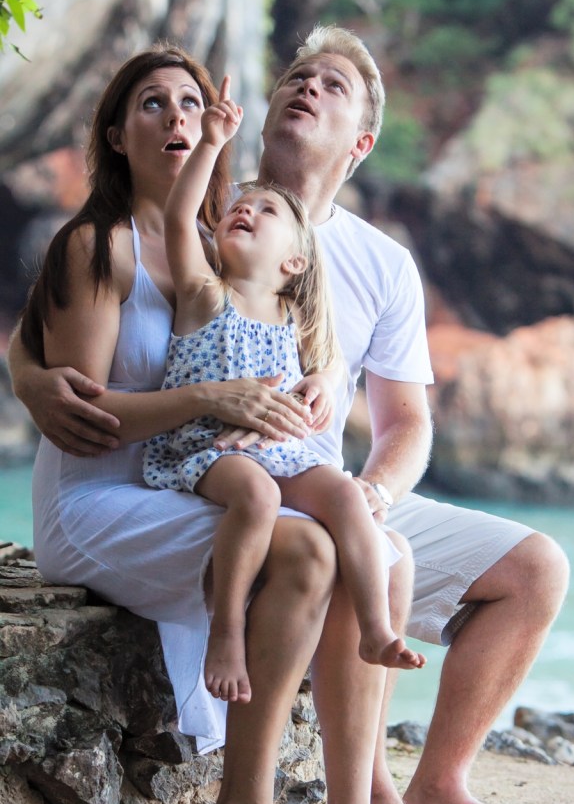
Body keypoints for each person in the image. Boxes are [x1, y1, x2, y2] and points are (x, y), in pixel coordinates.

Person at [11, 26, 570, 804]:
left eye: (332, 85)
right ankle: (355, 800)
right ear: (257, 117)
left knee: (521, 564)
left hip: (320, 478)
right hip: (205, 477)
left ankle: (432, 788)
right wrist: (23, 371)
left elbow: (404, 423)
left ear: (362, 143)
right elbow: (76, 301)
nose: (306, 89)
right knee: (335, 545)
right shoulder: (211, 210)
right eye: (295, 78)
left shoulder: (375, 261)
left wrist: (366, 488)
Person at [144, 80, 424, 702]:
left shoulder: (293, 318)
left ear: (294, 262)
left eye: (267, 213)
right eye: (241, 209)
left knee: (350, 496)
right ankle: (226, 631)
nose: (246, 210)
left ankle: (376, 629)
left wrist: (322, 382)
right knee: (257, 496)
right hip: (208, 446)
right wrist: (212, 143)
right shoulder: (203, 293)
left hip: (283, 448)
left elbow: (326, 368)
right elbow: (176, 216)